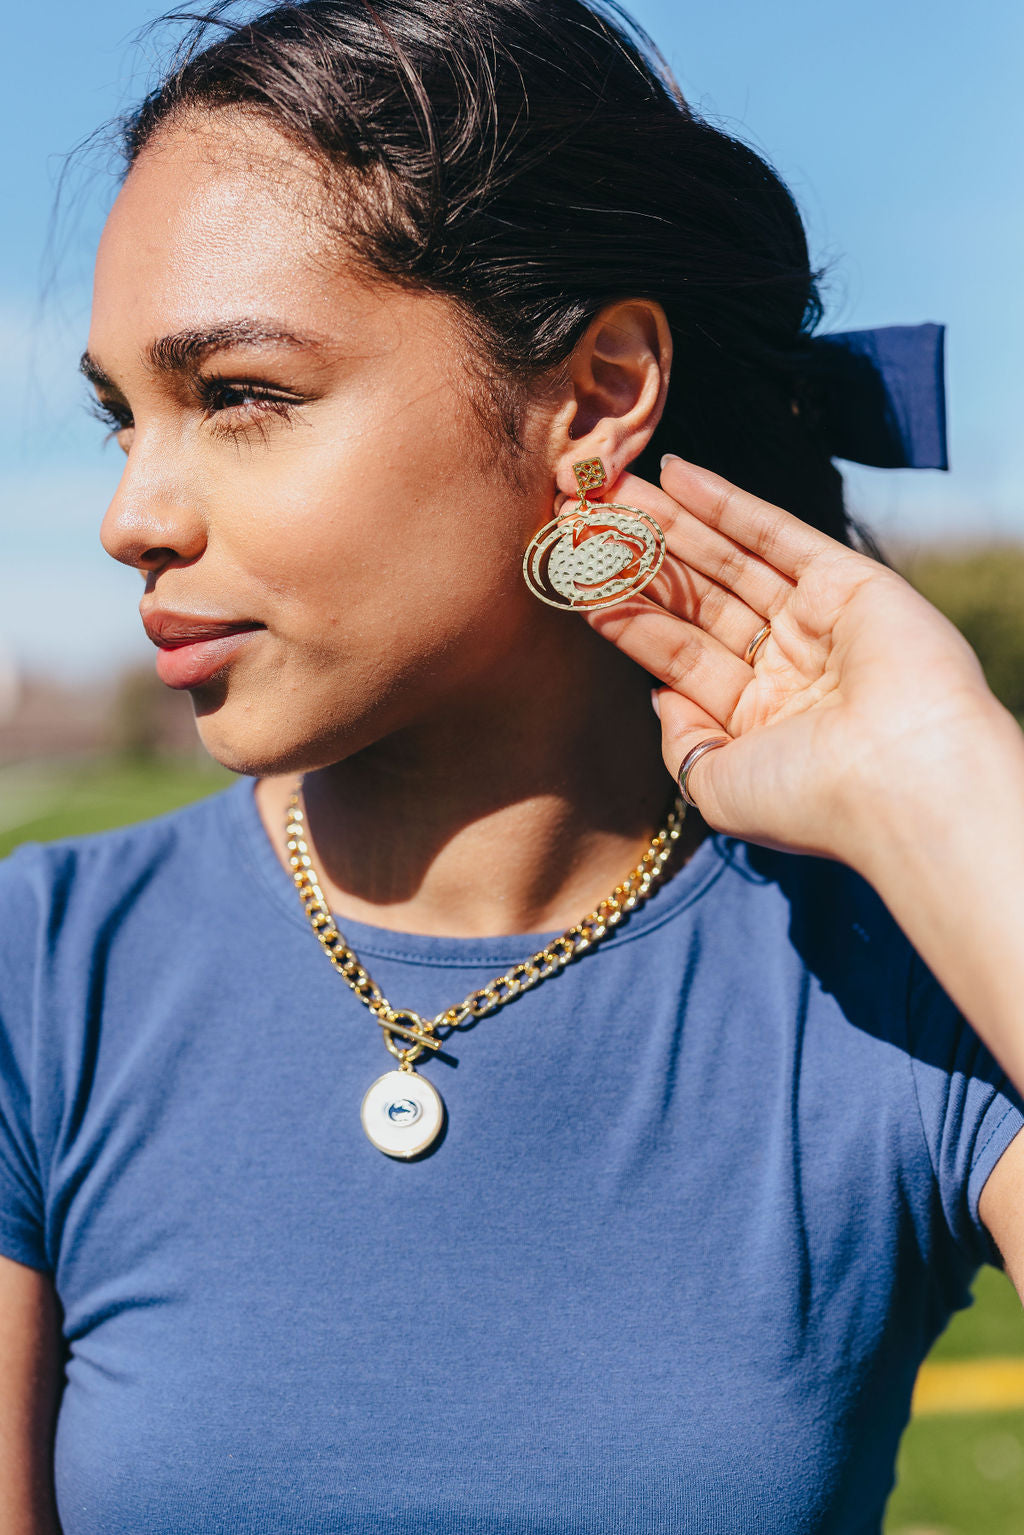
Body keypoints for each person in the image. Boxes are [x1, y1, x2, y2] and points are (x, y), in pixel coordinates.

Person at [2, 2, 1023, 1530]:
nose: (134, 515)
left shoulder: (903, 979)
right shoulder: (44, 971)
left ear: (598, 395)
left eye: (240, 395)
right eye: (123, 418)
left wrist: (953, 796)